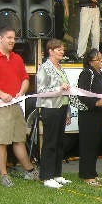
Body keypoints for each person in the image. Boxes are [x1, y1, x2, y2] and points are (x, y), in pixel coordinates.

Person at [0, 26, 39, 188]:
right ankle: (3, 175)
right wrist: (1, 94)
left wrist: (22, 90)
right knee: (1, 142)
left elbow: (25, 79)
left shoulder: (17, 58)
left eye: (14, 38)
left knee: (19, 139)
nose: (12, 41)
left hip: (15, 105)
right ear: (0, 38)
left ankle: (30, 170)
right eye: (9, 38)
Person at [36, 38, 73, 189]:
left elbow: (67, 91)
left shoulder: (61, 68)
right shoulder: (44, 68)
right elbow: (41, 90)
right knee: (50, 142)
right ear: (50, 51)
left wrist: (68, 111)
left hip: (62, 107)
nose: (62, 51)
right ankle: (46, 176)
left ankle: (57, 174)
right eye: (58, 49)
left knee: (59, 142)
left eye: (62, 49)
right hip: (50, 108)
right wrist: (58, 88)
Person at [77, 49, 102, 186]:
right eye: (98, 59)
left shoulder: (100, 74)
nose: (101, 61)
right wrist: (95, 102)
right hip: (88, 115)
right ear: (90, 62)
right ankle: (86, 175)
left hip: (99, 114)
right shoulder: (86, 73)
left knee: (95, 144)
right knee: (88, 144)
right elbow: (82, 94)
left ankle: (92, 172)